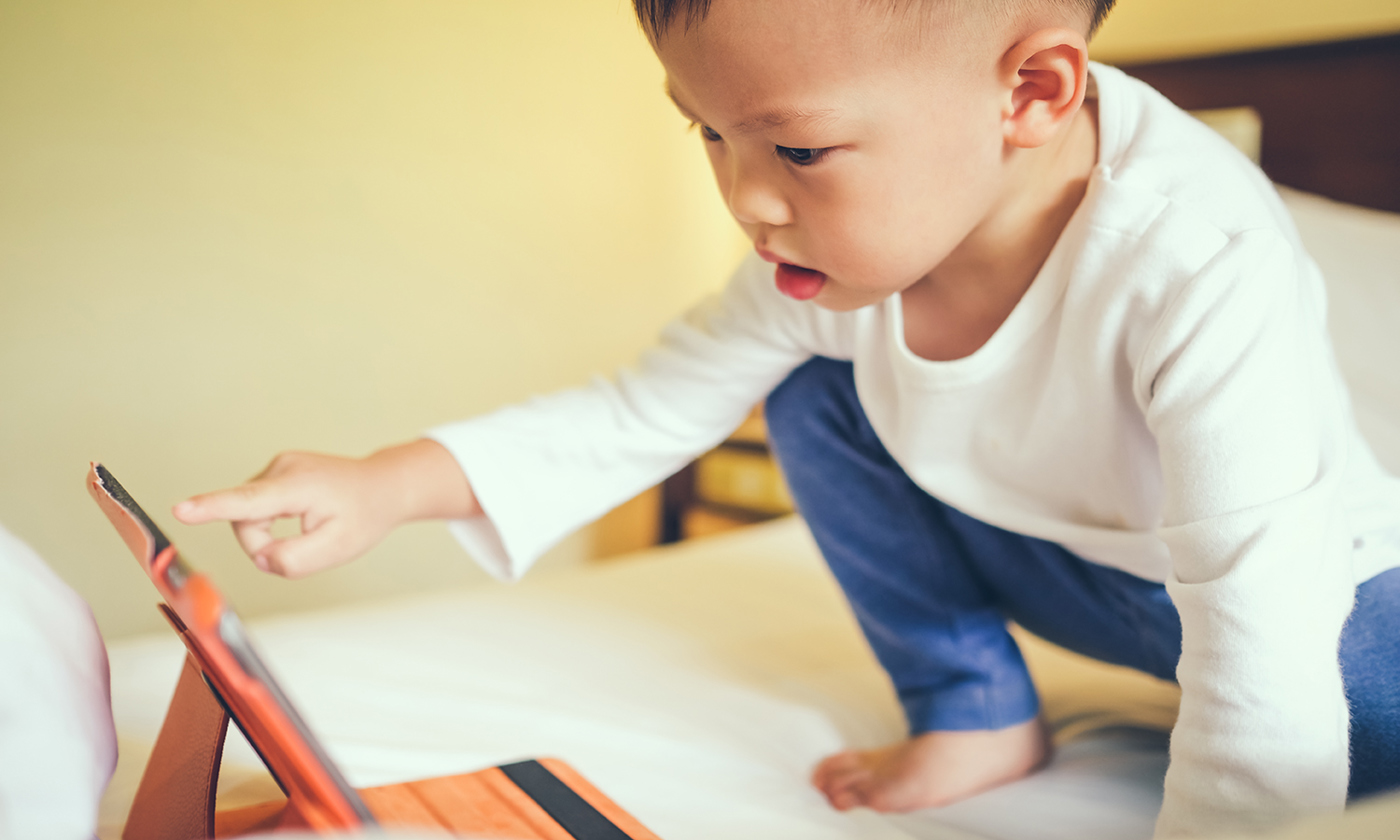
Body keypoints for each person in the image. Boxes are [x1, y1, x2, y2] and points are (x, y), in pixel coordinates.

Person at [172, 0, 1400, 836]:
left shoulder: (1193, 256)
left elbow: (1257, 617)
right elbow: (643, 409)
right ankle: (972, 713)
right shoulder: (834, 271)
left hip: (1336, 628)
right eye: (707, 131)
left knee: (1300, 675)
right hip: (1114, 586)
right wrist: (384, 485)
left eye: (798, 149)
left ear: (1028, 90)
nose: (745, 198)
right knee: (810, 388)